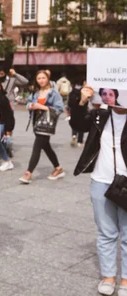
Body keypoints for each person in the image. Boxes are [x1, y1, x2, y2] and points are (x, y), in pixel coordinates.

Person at [71, 86, 127, 296]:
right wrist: (81, 100)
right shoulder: (99, 115)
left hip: (126, 183)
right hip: (101, 181)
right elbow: (77, 124)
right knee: (106, 233)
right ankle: (109, 276)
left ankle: (126, 281)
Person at [20, 70, 66, 184]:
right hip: (36, 122)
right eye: (39, 78)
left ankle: (28, 173)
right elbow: (28, 103)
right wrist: (31, 105)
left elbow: (60, 108)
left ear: (48, 79)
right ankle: (58, 168)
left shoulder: (54, 93)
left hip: (46, 123)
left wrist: (42, 107)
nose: (41, 80)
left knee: (37, 147)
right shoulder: (35, 92)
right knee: (46, 146)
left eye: (43, 78)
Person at [68, 77, 87, 147]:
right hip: (82, 109)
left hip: (73, 109)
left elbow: (69, 102)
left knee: (74, 123)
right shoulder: (84, 90)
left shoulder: (73, 90)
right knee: (82, 124)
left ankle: (74, 135)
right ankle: (80, 141)